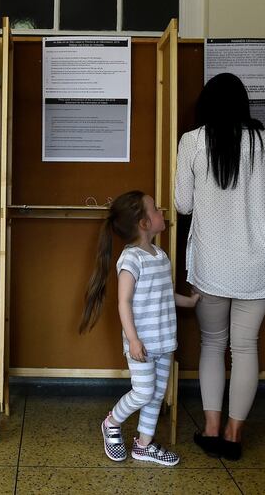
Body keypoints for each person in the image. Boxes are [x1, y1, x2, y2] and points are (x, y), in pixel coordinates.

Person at [175, 72, 265, 461]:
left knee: (212, 344)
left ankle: (209, 428)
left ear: (206, 104)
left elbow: (183, 205)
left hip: (212, 265)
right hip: (258, 264)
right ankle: (234, 435)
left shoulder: (193, 141)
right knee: (245, 347)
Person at [81, 191, 200, 466]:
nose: (162, 212)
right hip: (142, 345)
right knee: (143, 392)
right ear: (144, 224)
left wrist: (190, 301)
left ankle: (144, 445)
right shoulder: (131, 259)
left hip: (164, 341)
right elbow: (123, 302)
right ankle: (111, 423)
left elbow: (165, 294)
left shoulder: (159, 255)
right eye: (156, 209)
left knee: (157, 394)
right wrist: (133, 340)